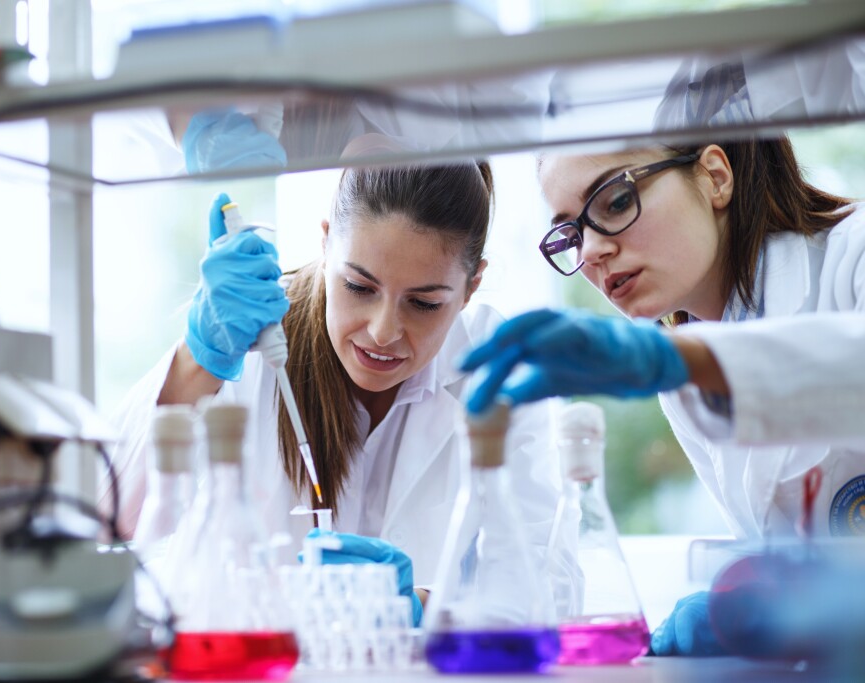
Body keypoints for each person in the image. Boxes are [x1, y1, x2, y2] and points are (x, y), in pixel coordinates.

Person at [101, 161, 578, 627]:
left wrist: (419, 608)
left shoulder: (499, 372)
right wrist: (197, 360)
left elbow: (552, 588)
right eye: (358, 286)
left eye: (424, 303)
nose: (384, 331)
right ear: (327, 241)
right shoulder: (248, 342)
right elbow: (102, 515)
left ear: (471, 287)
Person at [459, 135, 865, 655]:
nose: (591, 251)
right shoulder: (684, 376)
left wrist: (691, 364)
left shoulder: (852, 257)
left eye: (616, 201)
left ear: (715, 176)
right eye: (570, 233)